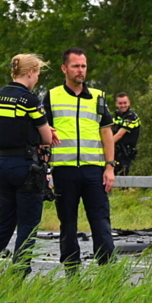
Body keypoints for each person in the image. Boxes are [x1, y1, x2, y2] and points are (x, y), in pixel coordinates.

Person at [43, 47, 116, 273]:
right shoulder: (52, 96)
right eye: (76, 66)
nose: (80, 70)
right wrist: (45, 169)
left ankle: (107, 269)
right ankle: (71, 270)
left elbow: (107, 133)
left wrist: (110, 167)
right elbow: (42, 133)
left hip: (94, 170)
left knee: (101, 221)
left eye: (83, 66)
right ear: (65, 68)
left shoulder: (97, 97)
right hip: (63, 171)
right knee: (68, 223)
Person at [0, 54, 56, 276]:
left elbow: (11, 126)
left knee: (5, 223)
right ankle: (19, 274)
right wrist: (47, 130)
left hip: (3, 164)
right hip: (26, 167)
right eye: (38, 75)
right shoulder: (30, 100)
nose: (37, 79)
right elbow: (46, 138)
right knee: (28, 224)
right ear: (31, 72)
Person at [111, 92, 141, 175]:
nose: (123, 105)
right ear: (116, 104)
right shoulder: (118, 115)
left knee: (123, 178)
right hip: (116, 151)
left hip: (125, 152)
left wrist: (105, 146)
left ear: (129, 103)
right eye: (120, 103)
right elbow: (111, 129)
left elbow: (120, 134)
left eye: (125, 103)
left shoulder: (131, 116)